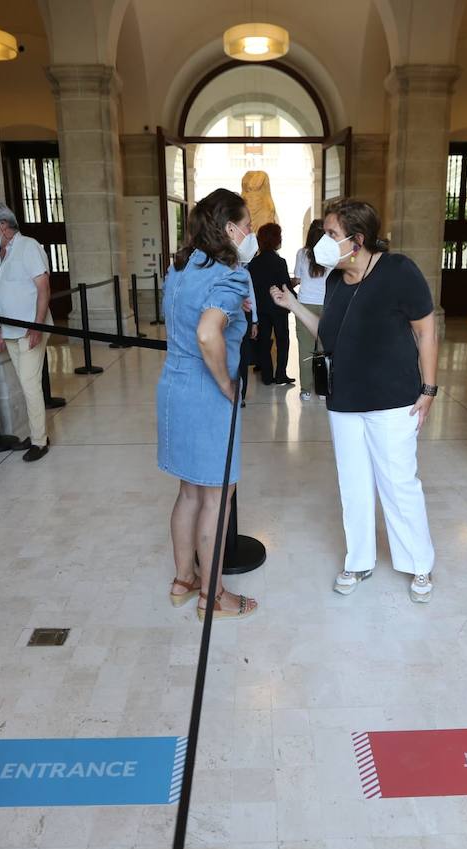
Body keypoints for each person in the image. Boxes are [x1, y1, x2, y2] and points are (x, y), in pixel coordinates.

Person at [269, 198, 439, 604]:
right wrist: (292, 304)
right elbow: (329, 334)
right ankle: (358, 559)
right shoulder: (332, 280)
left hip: (393, 398)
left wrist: (429, 388)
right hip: (344, 399)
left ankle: (418, 564)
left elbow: (426, 331)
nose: (322, 243)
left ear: (357, 240)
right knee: (353, 483)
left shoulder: (399, 271)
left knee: (398, 483)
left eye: (330, 234)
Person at [157, 188, 259, 619]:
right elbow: (206, 333)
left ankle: (184, 579)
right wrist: (226, 384)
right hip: (206, 393)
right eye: (248, 225)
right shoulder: (228, 274)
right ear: (231, 228)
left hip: (173, 387)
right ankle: (212, 596)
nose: (251, 232)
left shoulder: (180, 266)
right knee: (218, 497)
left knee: (188, 493)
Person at [0, 201, 53, 463]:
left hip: (29, 329)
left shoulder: (28, 247)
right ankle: (36, 433)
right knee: (25, 385)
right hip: (10, 330)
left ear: (3, 225)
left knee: (29, 384)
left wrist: (36, 326)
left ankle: (39, 441)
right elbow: (0, 295)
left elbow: (43, 288)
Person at [248, 223, 293, 386]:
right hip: (279, 308)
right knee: (282, 340)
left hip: (260, 308)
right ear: (275, 240)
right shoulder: (280, 262)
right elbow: (285, 286)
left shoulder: (253, 264)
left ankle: (267, 376)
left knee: (264, 341)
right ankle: (281, 374)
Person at [292, 219, 328, 402]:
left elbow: (297, 279)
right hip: (326, 304)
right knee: (323, 348)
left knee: (305, 349)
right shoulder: (331, 254)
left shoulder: (302, 253)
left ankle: (306, 390)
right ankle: (322, 389)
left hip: (304, 304)